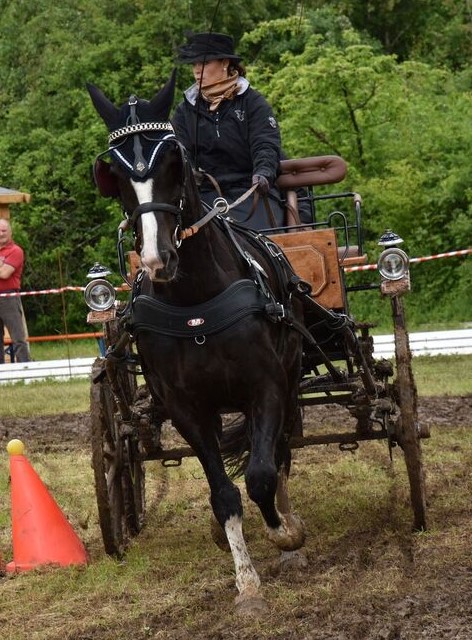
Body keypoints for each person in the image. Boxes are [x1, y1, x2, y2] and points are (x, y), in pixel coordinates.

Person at [173, 31, 299, 230]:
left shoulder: (252, 102)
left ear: (225, 63)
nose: (197, 71)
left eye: (204, 63)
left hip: (251, 190)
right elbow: (179, 153)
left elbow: (265, 144)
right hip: (205, 196)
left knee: (254, 237)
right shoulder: (184, 111)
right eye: (194, 65)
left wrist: (263, 173)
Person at [0, 218, 31, 363]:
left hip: (9, 297)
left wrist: (3, 267)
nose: (0, 234)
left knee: (17, 337)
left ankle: (26, 368)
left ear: (10, 232)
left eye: (3, 230)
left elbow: (4, 274)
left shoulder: (15, 251)